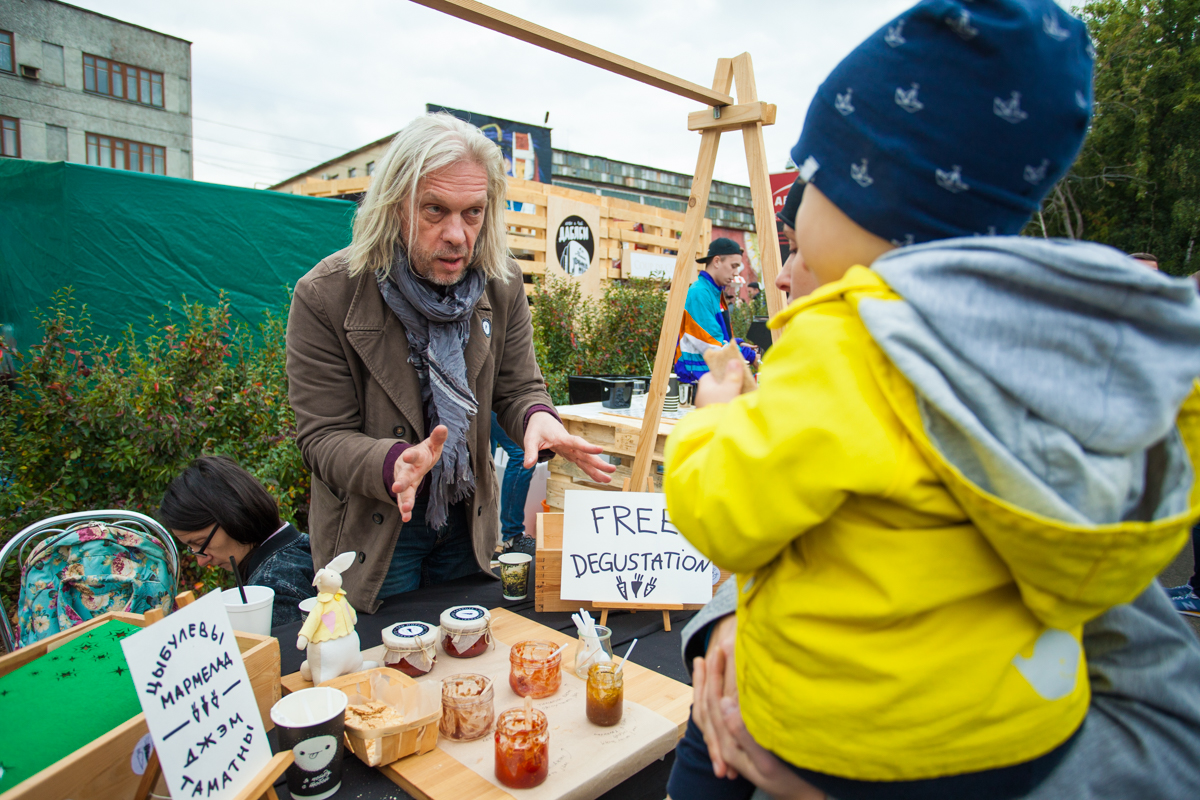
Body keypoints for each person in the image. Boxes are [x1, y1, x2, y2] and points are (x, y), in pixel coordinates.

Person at [662, 2, 1200, 799]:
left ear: (871, 197)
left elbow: (725, 508)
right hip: (1023, 735)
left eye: (806, 188)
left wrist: (716, 418)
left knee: (702, 760)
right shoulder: (1037, 356)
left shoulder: (855, 342)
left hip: (855, 744)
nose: (789, 245)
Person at [286, 113, 615, 613]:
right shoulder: (326, 295)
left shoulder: (500, 284)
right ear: (395, 206)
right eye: (435, 210)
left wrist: (539, 418)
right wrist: (395, 463)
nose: (458, 235)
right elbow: (322, 437)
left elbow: (519, 386)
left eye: (473, 213)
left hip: (467, 521)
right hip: (376, 531)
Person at [159, 455, 315, 627]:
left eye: (200, 542)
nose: (201, 561)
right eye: (192, 548)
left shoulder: (272, 591)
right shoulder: (305, 548)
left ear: (233, 517)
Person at [673, 237, 758, 384]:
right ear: (717, 261)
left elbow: (714, 337)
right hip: (697, 379)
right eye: (734, 266)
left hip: (706, 376)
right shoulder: (700, 292)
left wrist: (737, 344)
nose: (736, 272)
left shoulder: (714, 291)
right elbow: (711, 344)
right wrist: (748, 355)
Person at [490, 410, 536, 555]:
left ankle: (480, 545)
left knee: (484, 462)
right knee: (522, 455)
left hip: (485, 397)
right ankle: (512, 537)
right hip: (483, 397)